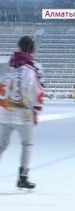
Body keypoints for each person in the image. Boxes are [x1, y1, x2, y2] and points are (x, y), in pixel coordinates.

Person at [0, 36, 45, 189]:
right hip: (23, 113)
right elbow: (37, 89)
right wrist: (36, 109)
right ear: (32, 49)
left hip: (5, 111)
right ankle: (23, 177)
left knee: (1, 146)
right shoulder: (33, 67)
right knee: (27, 144)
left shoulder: (11, 66)